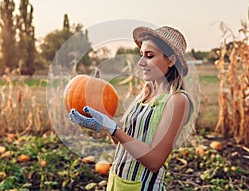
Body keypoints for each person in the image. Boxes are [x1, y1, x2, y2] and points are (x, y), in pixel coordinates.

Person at [69, 26, 194, 190]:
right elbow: (125, 145)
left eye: (149, 56)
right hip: (117, 184)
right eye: (141, 55)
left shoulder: (177, 100)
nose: (141, 62)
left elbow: (155, 161)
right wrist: (104, 124)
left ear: (171, 60)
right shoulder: (143, 96)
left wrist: (114, 129)